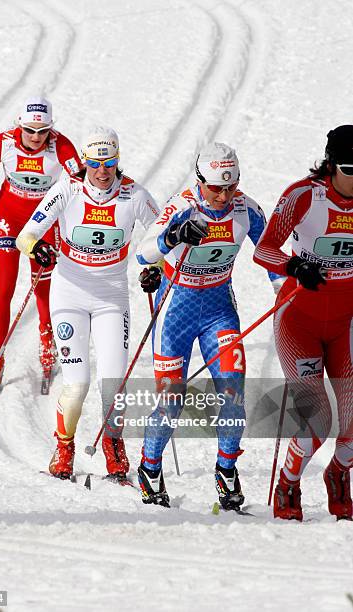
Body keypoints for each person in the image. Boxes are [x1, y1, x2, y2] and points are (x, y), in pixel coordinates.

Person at [136, 142, 282, 508]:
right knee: (172, 400)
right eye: (215, 187)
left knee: (233, 394)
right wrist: (174, 237)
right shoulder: (181, 206)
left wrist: (282, 290)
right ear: (200, 179)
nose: (223, 195)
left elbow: (270, 253)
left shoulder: (245, 208)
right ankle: (150, 468)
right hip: (175, 312)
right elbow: (142, 252)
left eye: (230, 187)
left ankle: (227, 470)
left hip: (219, 310)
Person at [16, 125, 160, 481]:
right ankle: (64, 447)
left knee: (114, 382)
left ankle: (113, 444)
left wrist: (154, 266)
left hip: (112, 298)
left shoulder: (134, 194)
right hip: (69, 294)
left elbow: (162, 234)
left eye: (109, 162)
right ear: (84, 161)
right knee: (76, 383)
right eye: (95, 162)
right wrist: (37, 247)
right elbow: (26, 235)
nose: (102, 170)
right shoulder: (67, 189)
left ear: (117, 160)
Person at [254, 125, 353, 521]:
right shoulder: (303, 195)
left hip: (346, 321)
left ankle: (339, 474)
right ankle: (289, 482)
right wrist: (295, 265)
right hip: (300, 319)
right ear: (331, 165)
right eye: (350, 167)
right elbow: (264, 249)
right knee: (318, 420)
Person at [0, 96, 82, 393]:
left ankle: (47, 341)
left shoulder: (62, 146)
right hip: (8, 218)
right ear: (19, 125)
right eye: (30, 131)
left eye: (43, 132)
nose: (36, 138)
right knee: (4, 285)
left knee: (43, 286)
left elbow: (81, 186)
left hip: (43, 221)